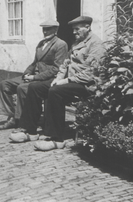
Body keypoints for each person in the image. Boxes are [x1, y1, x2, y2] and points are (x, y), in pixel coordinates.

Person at [9, 16, 105, 151]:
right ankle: (30, 131)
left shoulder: (96, 45)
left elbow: (91, 73)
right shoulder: (77, 43)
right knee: (35, 87)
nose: (74, 32)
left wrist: (66, 80)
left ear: (87, 27)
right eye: (73, 29)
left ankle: (56, 138)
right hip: (71, 81)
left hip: (87, 85)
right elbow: (65, 64)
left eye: (77, 29)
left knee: (56, 92)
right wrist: (58, 78)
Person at [0, 20, 68, 130]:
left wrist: (35, 77)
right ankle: (12, 115)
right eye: (43, 29)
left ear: (55, 30)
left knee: (22, 88)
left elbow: (56, 68)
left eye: (48, 29)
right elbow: (35, 62)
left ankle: (20, 120)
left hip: (47, 78)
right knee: (4, 84)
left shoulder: (60, 44)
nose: (45, 32)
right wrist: (27, 73)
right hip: (34, 75)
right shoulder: (41, 43)